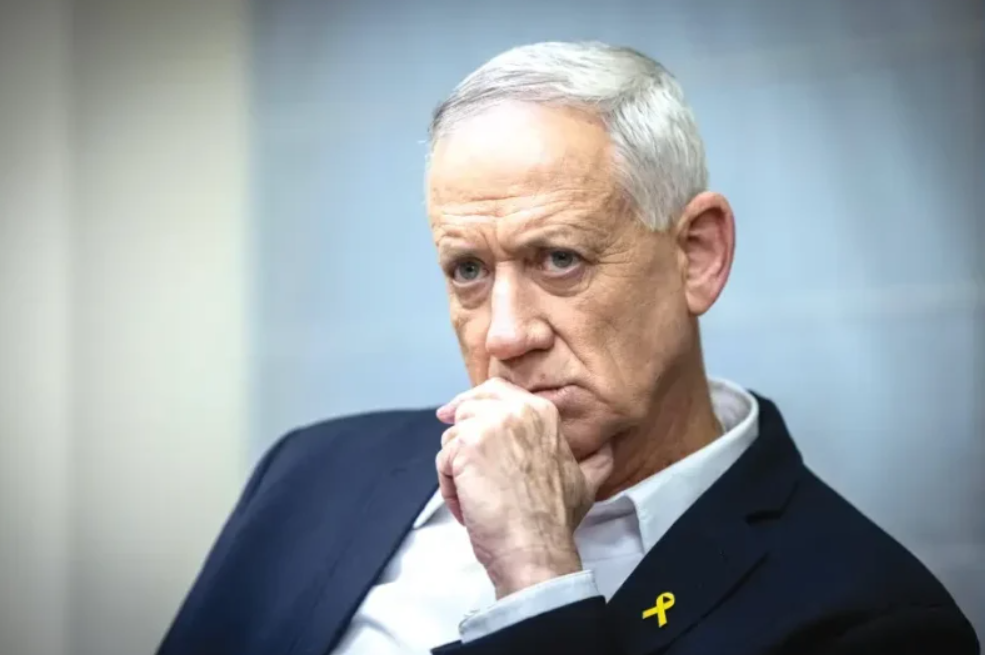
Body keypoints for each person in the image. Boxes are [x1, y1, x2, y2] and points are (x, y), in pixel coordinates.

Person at [157, 41, 979, 655]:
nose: (507, 333)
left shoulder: (871, 616)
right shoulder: (313, 471)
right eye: (468, 269)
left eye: (560, 258)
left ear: (697, 254)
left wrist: (536, 577)